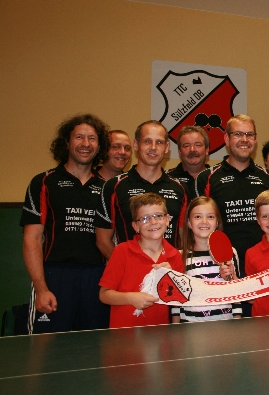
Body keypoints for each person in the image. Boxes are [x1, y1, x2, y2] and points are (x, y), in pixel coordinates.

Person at [20, 113, 111, 334]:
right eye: (79, 137)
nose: (85, 144)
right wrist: (41, 288)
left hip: (96, 278)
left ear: (99, 146)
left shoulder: (107, 188)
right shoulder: (44, 182)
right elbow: (32, 239)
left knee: (95, 347)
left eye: (92, 138)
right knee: (46, 348)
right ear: (67, 142)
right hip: (55, 276)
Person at [195, 115, 269, 281]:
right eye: (238, 134)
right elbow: (198, 225)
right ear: (226, 138)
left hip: (262, 264)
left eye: (249, 135)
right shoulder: (207, 178)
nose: (244, 140)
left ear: (255, 139)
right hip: (221, 266)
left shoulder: (268, 177)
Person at [96, 120, 188, 257]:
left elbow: (185, 239)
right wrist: (126, 266)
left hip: (169, 268)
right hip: (129, 269)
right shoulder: (114, 186)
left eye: (159, 142)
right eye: (147, 141)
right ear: (136, 144)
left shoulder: (180, 188)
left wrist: (175, 266)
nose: (153, 147)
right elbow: (103, 241)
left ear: (167, 147)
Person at [99, 193, 184, 328]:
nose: (153, 222)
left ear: (168, 219)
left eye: (158, 216)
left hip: (159, 333)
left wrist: (171, 278)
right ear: (135, 226)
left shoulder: (174, 256)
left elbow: (178, 299)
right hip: (123, 334)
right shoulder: (122, 251)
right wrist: (131, 298)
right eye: (145, 218)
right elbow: (104, 295)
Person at [175, 196, 241, 322]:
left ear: (217, 222)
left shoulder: (230, 252)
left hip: (225, 327)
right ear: (189, 223)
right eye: (197, 217)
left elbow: (236, 296)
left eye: (210, 216)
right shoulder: (179, 256)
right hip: (190, 327)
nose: (204, 221)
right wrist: (176, 327)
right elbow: (176, 299)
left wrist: (230, 276)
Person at [167, 126, 210, 201]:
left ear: (207, 150)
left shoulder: (216, 178)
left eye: (198, 145)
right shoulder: (167, 178)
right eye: (186, 146)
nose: (192, 150)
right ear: (179, 151)